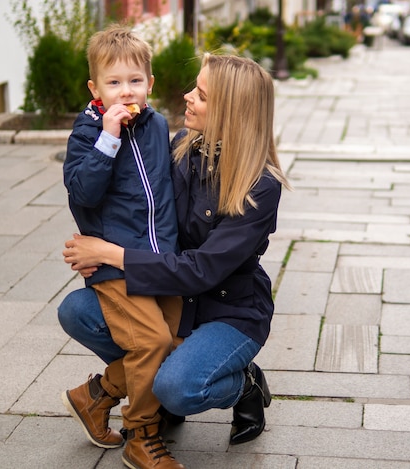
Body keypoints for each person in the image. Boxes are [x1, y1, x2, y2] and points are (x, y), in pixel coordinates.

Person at [58, 53, 291, 468]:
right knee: (78, 310)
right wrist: (94, 246)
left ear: (229, 110)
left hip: (227, 310)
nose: (186, 96)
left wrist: (113, 255)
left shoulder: (261, 185)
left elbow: (202, 269)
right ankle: (129, 389)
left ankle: (243, 384)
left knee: (179, 386)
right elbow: (132, 202)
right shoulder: (183, 146)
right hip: (171, 298)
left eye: (200, 94)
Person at [60, 24, 183, 469]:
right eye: (113, 83)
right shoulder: (87, 132)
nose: (125, 91)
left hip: (159, 260)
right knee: (151, 341)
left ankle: (94, 396)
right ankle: (141, 435)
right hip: (114, 264)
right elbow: (83, 192)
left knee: (172, 342)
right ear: (95, 89)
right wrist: (107, 139)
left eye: (134, 81)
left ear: (150, 84)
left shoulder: (157, 125)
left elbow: (166, 190)